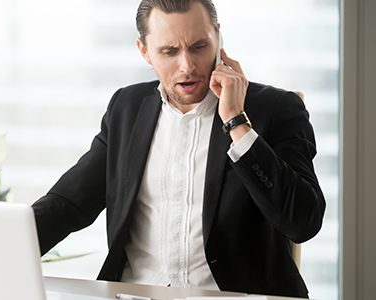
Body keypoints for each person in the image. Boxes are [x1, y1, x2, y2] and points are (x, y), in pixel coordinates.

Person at [32, 0, 325, 298]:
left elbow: (303, 223)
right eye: (169, 51)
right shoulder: (127, 109)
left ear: (218, 38)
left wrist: (237, 123)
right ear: (144, 50)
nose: (187, 66)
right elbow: (68, 205)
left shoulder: (275, 110)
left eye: (199, 46)